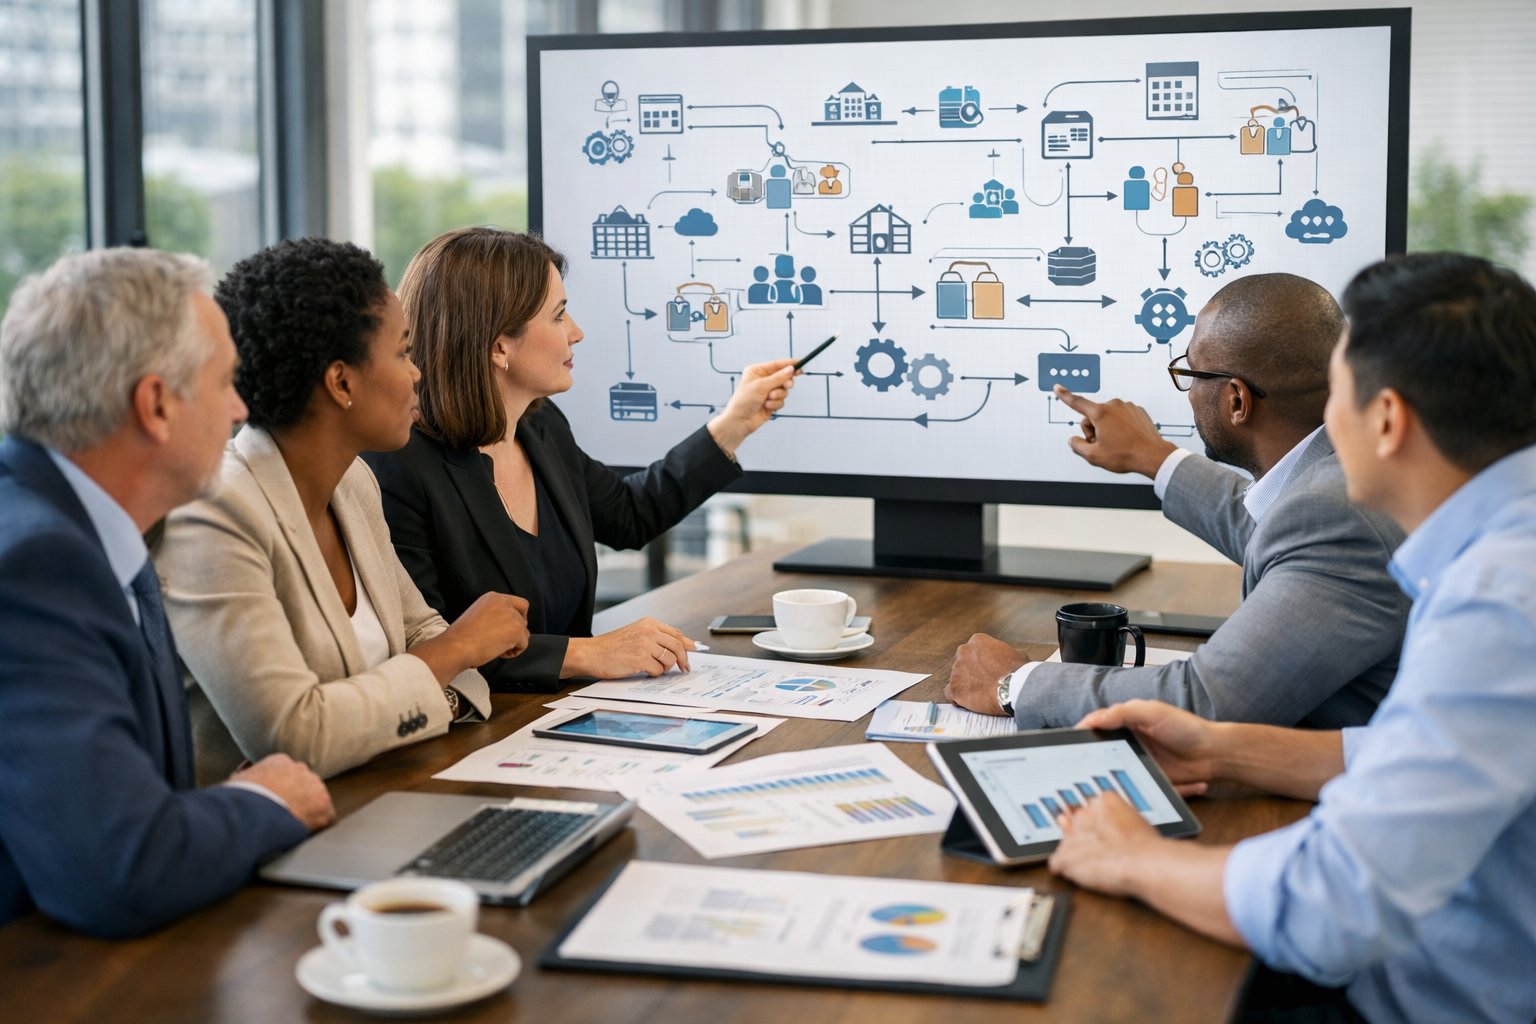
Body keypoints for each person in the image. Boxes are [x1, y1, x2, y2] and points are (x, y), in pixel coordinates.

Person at [1046, 253, 1536, 1024]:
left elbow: (1332, 904)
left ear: (1386, 420)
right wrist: (1225, 750)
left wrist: (1134, 857)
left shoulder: (1499, 603)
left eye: (1333, 394)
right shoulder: (1507, 547)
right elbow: (1431, 752)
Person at [0, 248, 334, 937]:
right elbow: (122, 864)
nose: (241, 408)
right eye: (224, 384)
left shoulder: (98, 527)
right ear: (155, 403)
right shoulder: (34, 563)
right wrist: (264, 801)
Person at [946, 274, 1407, 729]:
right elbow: (1275, 533)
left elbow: (1206, 699)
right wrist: (1153, 456)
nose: (1187, 391)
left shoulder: (1334, 515)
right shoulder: (1343, 470)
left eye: (1189, 373)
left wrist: (1014, 684)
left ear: (1236, 401)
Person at [155, 238, 530, 782]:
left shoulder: (352, 481)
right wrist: (459, 648)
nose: (417, 373)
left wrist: (434, 680)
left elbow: (423, 631)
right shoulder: (213, 517)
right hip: (268, 843)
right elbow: (297, 737)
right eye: (403, 352)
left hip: (380, 792)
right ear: (342, 382)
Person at [363, 227, 797, 692]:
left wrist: (736, 422)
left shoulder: (542, 428)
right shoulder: (397, 467)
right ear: (498, 345)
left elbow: (630, 515)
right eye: (559, 315)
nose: (577, 332)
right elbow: (429, 649)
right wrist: (588, 653)